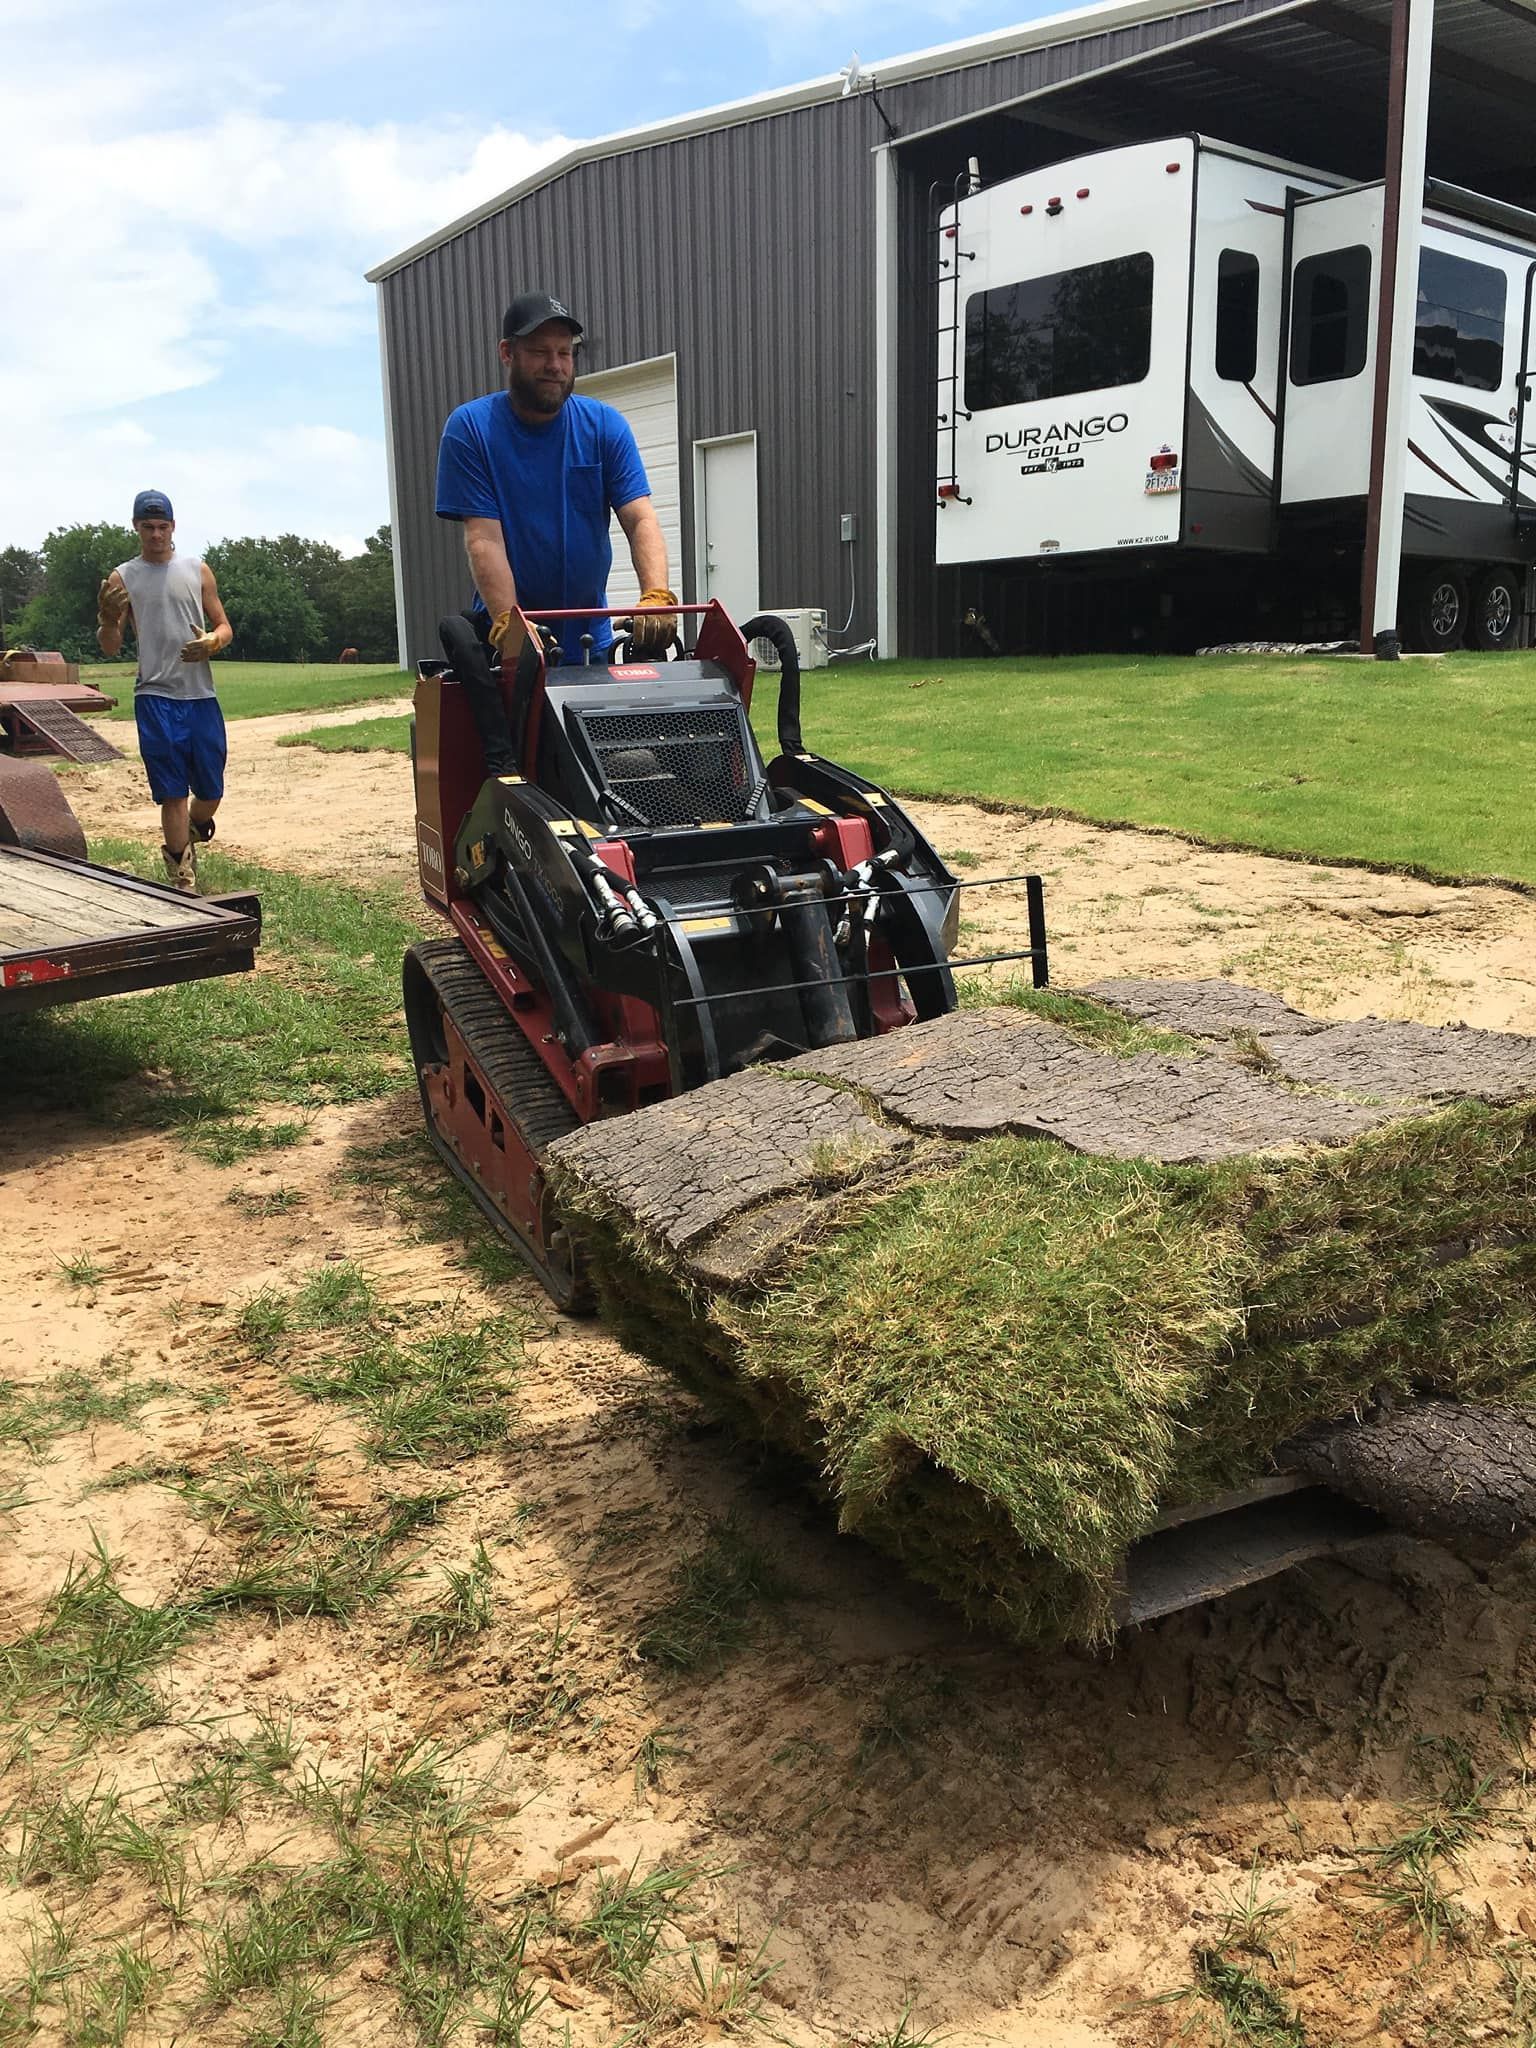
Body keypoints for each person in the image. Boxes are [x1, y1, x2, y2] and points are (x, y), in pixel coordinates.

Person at [434, 290, 676, 773]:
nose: (555, 365)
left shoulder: (604, 425)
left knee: (615, 772)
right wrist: (509, 625)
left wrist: (655, 594)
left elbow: (640, 517)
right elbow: (483, 537)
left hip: (592, 641)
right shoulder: (472, 429)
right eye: (541, 352)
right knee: (525, 774)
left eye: (565, 353)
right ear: (508, 353)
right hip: (510, 648)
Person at [97, 490, 232, 893]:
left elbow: (224, 625)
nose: (156, 534)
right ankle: (183, 880)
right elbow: (109, 644)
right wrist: (106, 618)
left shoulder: (197, 570)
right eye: (147, 527)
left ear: (173, 526)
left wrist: (213, 643)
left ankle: (195, 826)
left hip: (200, 696)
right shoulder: (122, 578)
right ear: (136, 527)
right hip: (154, 695)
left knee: (210, 790)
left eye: (162, 526)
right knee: (171, 791)